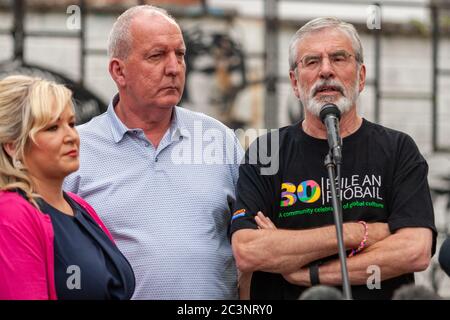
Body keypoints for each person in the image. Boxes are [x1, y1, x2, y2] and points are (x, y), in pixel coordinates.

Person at [231, 17, 436, 300]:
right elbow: (248, 250)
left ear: (361, 76)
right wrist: (359, 234)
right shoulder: (266, 153)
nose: (326, 70)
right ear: (294, 82)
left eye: (339, 58)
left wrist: (307, 272)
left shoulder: (398, 149)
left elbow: (414, 250)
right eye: (312, 61)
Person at [63, 5, 243, 299]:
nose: (174, 67)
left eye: (180, 54)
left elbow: (250, 242)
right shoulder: (77, 149)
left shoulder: (218, 139)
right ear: (119, 71)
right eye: (157, 56)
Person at [0, 75, 135, 300]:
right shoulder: (12, 213)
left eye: (71, 124)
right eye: (53, 127)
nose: (71, 136)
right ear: (13, 146)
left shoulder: (79, 206)